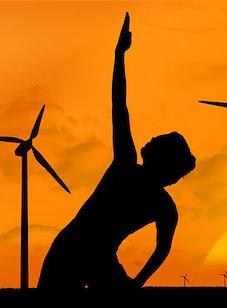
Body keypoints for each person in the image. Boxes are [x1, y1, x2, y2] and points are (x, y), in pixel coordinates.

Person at [37, 12, 196, 290]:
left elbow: (119, 106)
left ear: (160, 158)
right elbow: (161, 251)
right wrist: (137, 283)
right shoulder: (165, 207)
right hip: (79, 254)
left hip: (81, 253)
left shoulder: (126, 166)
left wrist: (118, 56)